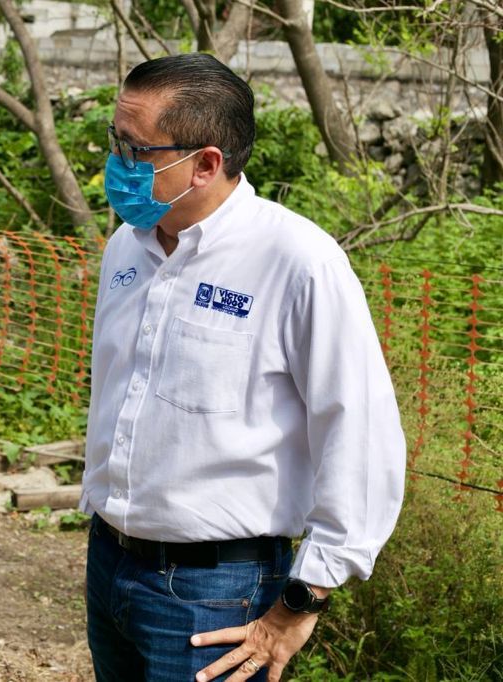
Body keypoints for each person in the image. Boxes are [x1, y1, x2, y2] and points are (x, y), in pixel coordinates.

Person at [82, 53, 406, 681]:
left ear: (206, 164)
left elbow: (359, 431)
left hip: (216, 589)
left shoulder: (297, 261)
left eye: (136, 150)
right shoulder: (127, 245)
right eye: (115, 141)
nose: (116, 165)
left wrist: (305, 596)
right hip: (111, 563)